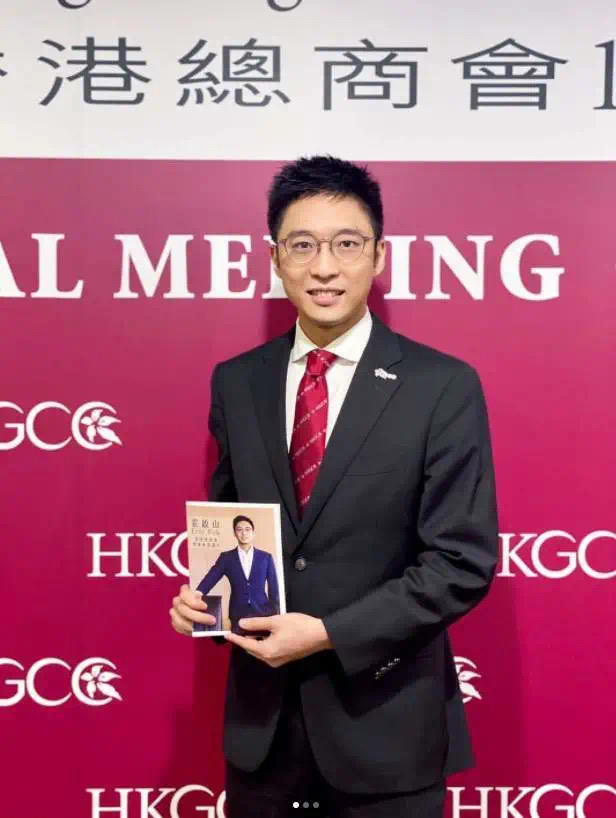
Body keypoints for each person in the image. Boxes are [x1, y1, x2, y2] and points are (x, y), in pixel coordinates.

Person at [170, 156, 499, 818]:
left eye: (346, 244)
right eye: (302, 246)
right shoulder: (238, 382)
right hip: (263, 736)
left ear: (379, 256)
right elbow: (235, 527)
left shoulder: (442, 386)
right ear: (275, 258)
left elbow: (461, 562)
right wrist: (208, 607)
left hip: (387, 729)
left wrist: (326, 633)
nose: (324, 267)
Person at [195, 514, 280, 634]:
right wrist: (199, 592)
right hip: (237, 612)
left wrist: (276, 611)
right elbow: (213, 576)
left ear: (253, 533)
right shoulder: (226, 557)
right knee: (238, 643)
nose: (244, 533)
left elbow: (274, 586)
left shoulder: (265, 557)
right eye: (239, 530)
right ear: (234, 534)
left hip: (263, 611)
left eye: (247, 529)